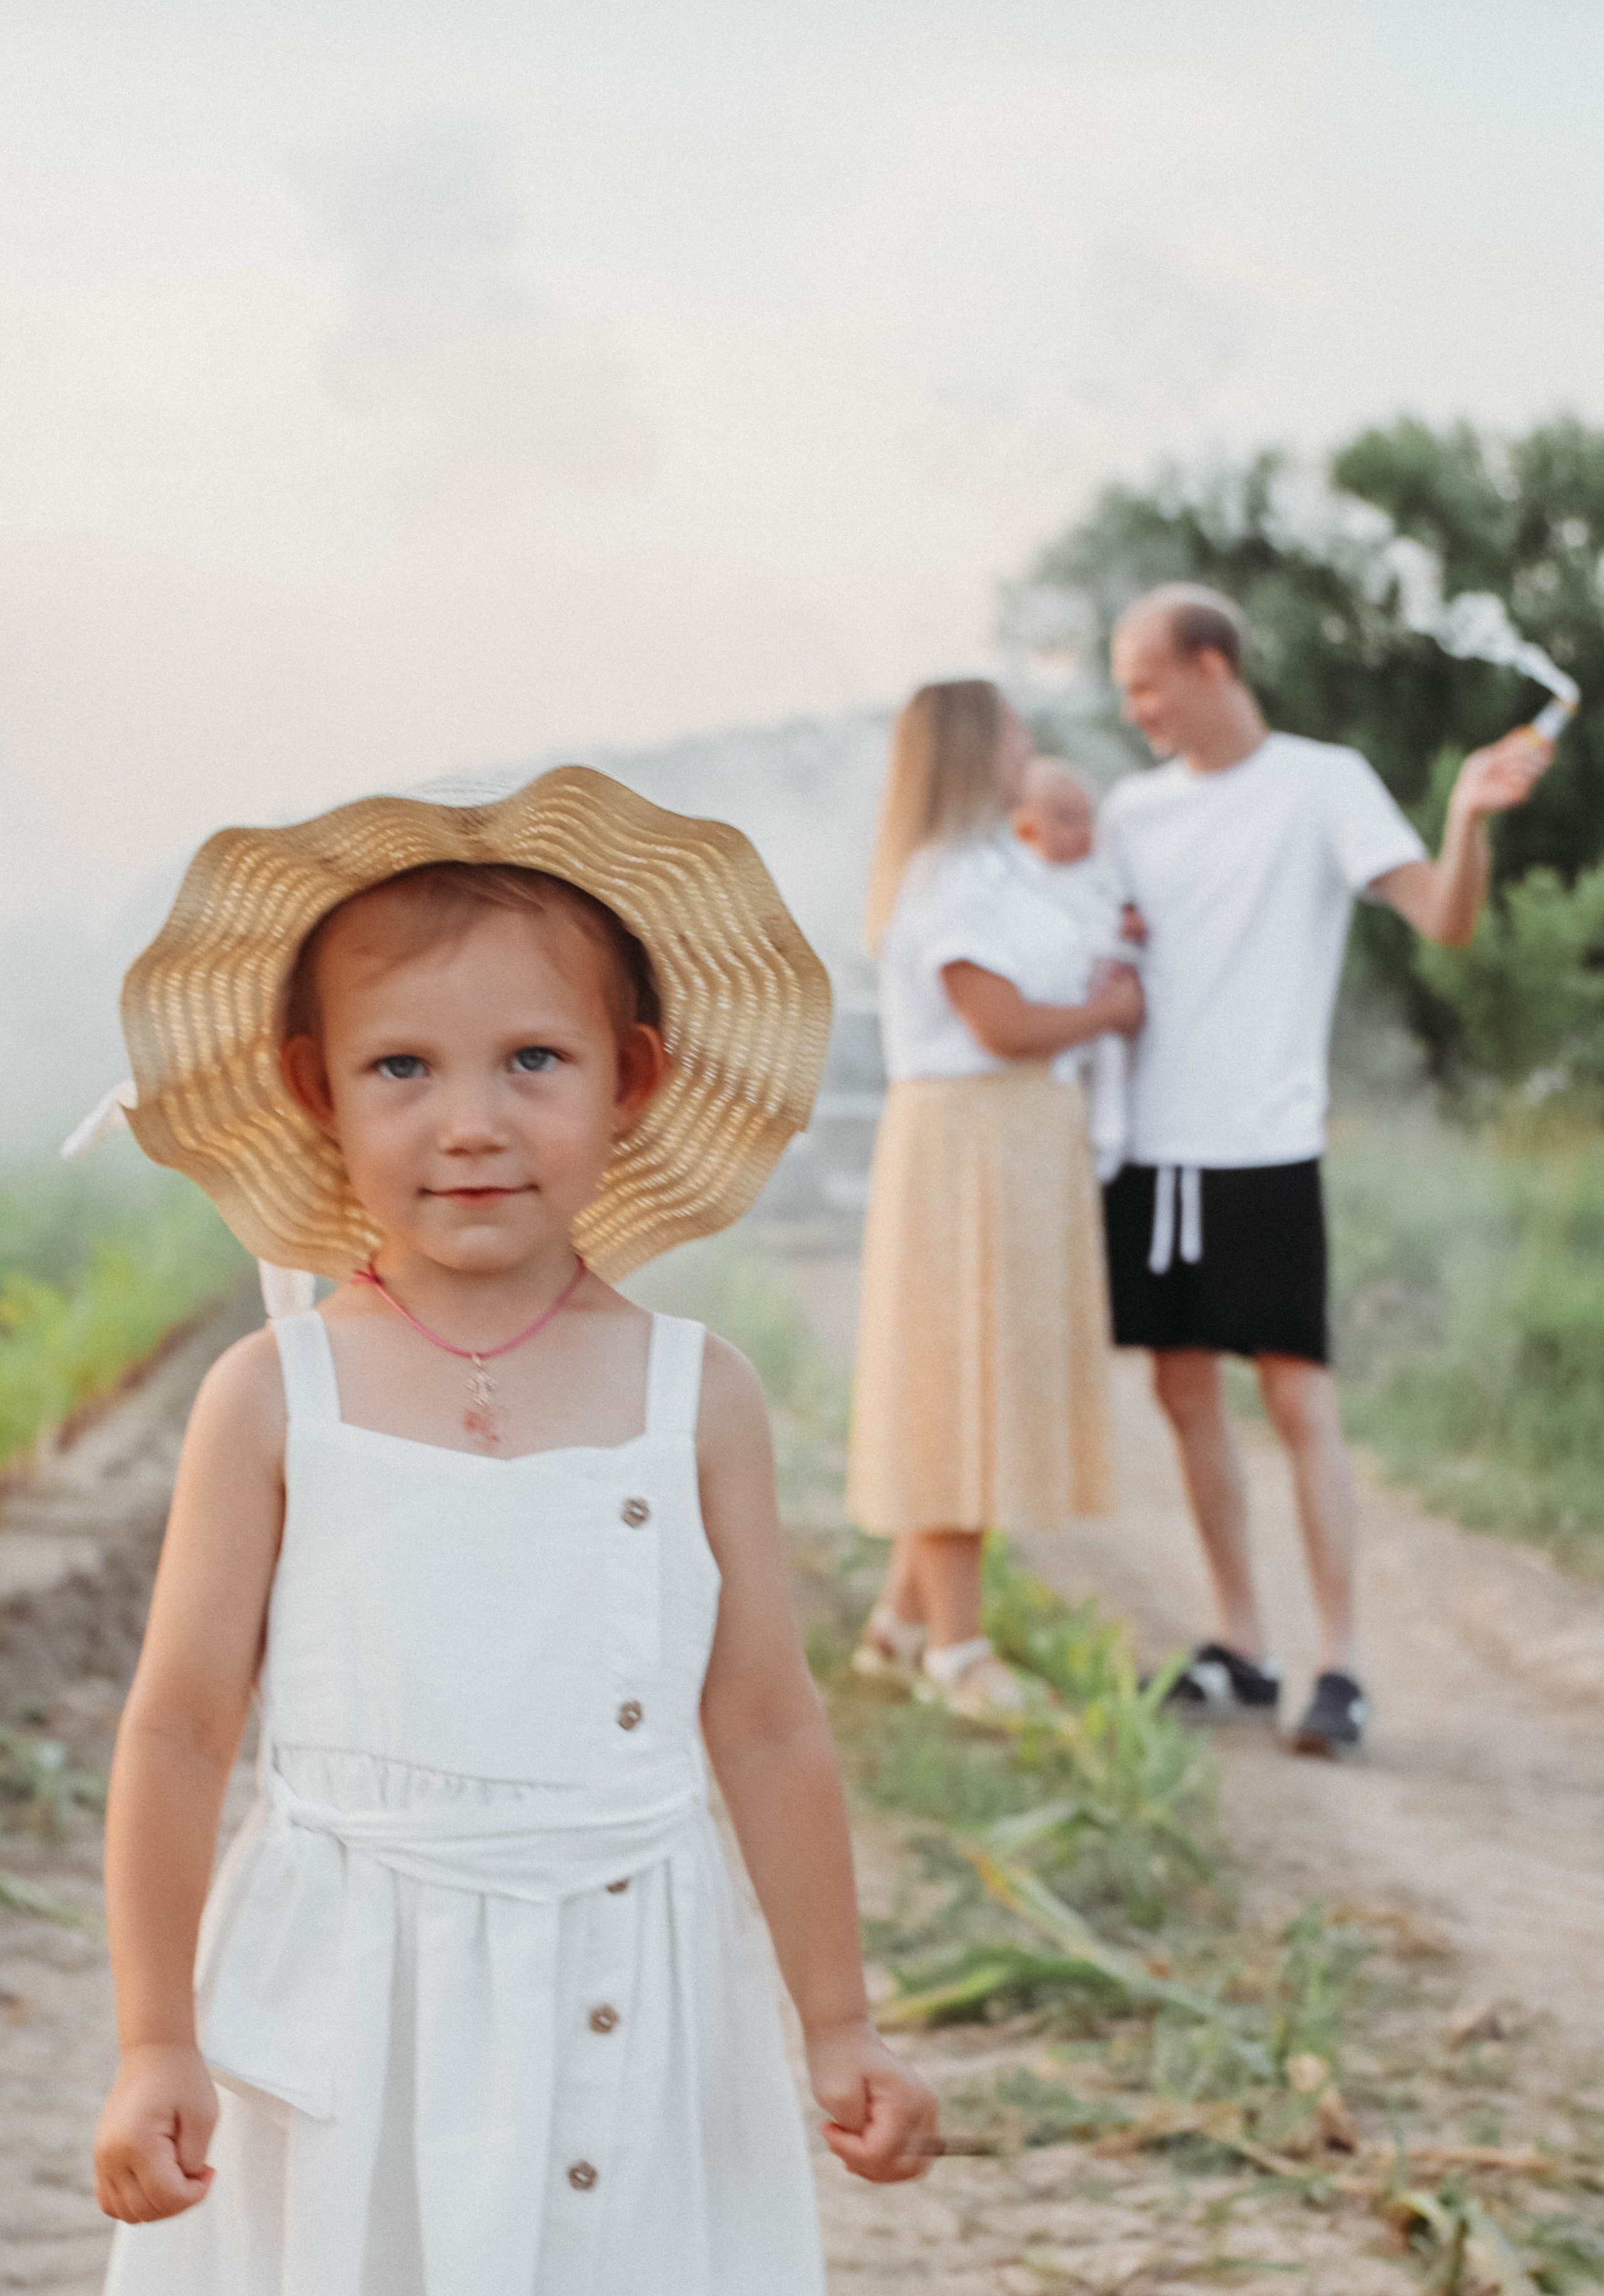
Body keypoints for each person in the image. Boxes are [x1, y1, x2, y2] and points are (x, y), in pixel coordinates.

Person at [91, 767, 937, 2294]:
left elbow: (762, 1725)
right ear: (314, 1087)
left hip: (631, 1971)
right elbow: (177, 1729)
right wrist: (157, 2034)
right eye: (401, 1066)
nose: (468, 1122)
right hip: (351, 1991)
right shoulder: (276, 1395)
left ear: (631, 1077)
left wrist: (836, 2017)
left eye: (532, 1059)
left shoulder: (698, 1394)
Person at [1100, 583, 1551, 1755]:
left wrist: (1467, 813)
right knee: (1182, 1392)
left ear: (1211, 666)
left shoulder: (1322, 782)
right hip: (1151, 1149)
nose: (1135, 709)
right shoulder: (1129, 813)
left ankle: (1338, 1667)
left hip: (1267, 1144)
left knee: (1299, 1397)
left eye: (1146, 683)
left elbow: (1444, 918)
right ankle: (1242, 1646)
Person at [847, 680, 1142, 1723]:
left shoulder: (997, 868)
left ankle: (901, 1626)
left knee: (978, 1369)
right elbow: (1002, 1025)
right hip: (969, 1141)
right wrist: (1109, 1009)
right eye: (1015, 727)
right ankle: (959, 1650)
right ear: (978, 748)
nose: (1031, 742)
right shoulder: (947, 878)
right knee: (954, 1378)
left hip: (1013, 1142)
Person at [1010, 755, 1136, 1181]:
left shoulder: (1099, 870)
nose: (1084, 831)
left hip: (1103, 988)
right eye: (1067, 820)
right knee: (1061, 1070)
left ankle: (1109, 1138)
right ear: (1025, 829)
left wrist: (1130, 921)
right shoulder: (1019, 880)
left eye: (1088, 818)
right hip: (1057, 1005)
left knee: (1109, 1063)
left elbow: (1122, 904)